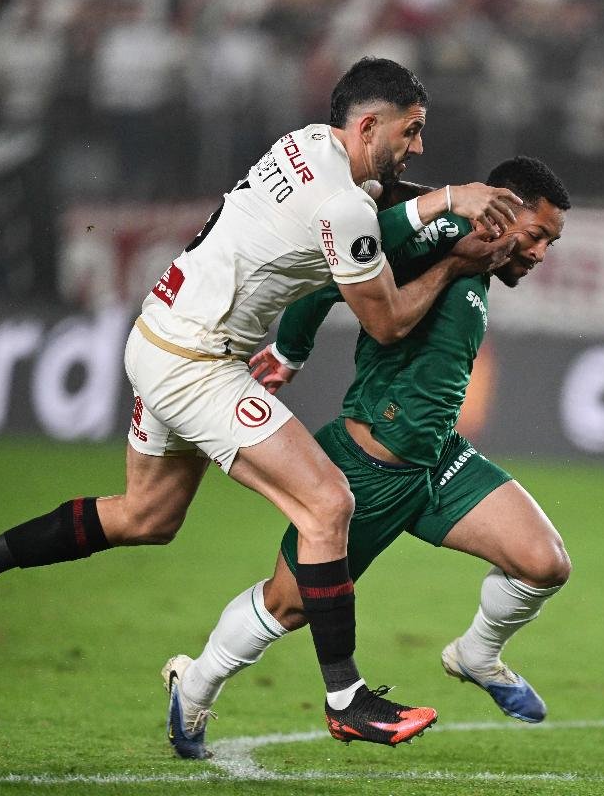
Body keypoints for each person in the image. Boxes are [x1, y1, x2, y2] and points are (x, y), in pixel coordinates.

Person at [0, 57, 524, 747]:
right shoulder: (344, 205)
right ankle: (346, 698)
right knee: (328, 504)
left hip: (158, 332)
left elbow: (373, 203)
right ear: (367, 126)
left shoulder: (305, 143)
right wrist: (452, 258)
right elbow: (385, 320)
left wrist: (449, 196)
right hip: (196, 360)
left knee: (146, 516)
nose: (418, 146)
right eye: (411, 131)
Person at [159, 156, 572, 760]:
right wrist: (291, 352)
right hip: (369, 466)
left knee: (544, 563)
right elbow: (332, 276)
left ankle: (477, 655)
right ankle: (193, 689)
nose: (539, 254)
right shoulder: (445, 238)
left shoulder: (479, 255)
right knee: (287, 605)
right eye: (536, 236)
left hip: (435, 461)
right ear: (502, 209)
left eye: (550, 243)